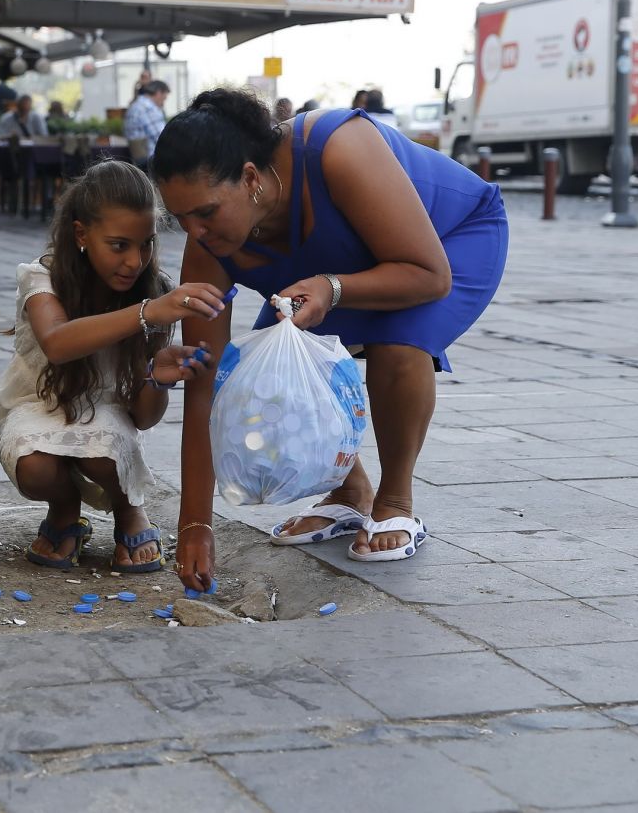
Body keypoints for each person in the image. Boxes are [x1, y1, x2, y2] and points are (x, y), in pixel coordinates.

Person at [151, 89, 509, 590]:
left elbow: (429, 276)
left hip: (449, 240)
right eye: (180, 218)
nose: (196, 231)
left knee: (398, 342)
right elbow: (204, 381)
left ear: (251, 178)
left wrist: (332, 288)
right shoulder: (206, 246)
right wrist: (195, 526)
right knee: (268, 369)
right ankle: (350, 489)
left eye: (206, 212)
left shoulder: (337, 147)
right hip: (342, 270)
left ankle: (395, 500)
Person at [0, 161, 224, 573]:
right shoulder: (43, 279)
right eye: (119, 245)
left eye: (146, 244)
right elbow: (59, 345)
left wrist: (156, 378)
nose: (135, 261)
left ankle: (129, 509)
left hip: (106, 416)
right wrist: (147, 312)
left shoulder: (154, 294)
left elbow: (142, 418)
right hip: (36, 406)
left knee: (104, 456)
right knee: (36, 467)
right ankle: (65, 509)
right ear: (82, 234)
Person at [124, 79, 170, 159]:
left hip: (138, 158)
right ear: (158, 93)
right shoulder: (148, 108)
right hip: (151, 160)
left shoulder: (136, 105)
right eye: (164, 98)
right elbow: (161, 137)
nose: (163, 102)